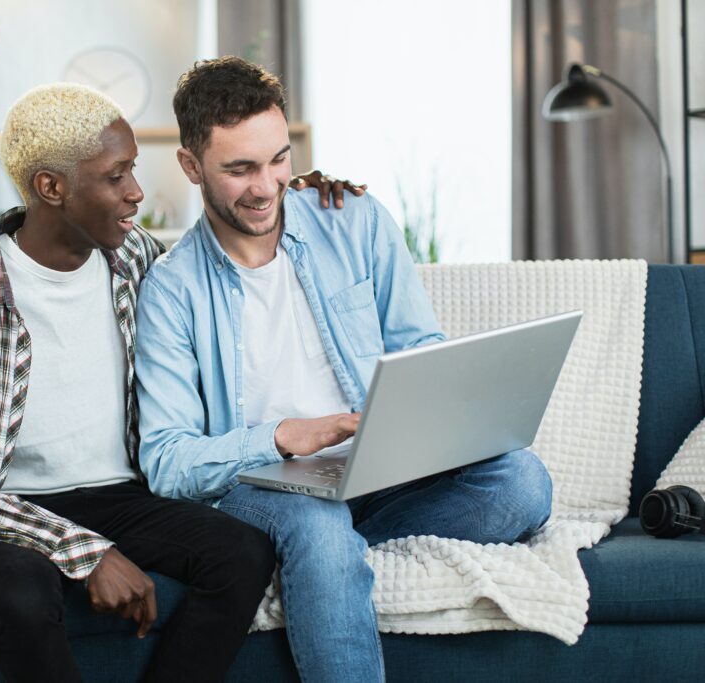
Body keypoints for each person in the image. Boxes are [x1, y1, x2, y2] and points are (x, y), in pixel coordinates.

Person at [0, 82, 354, 683]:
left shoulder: (137, 259)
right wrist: (84, 550)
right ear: (51, 187)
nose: (136, 192)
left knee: (243, 553)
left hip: (123, 496)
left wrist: (307, 200)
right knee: (21, 595)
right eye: (116, 177)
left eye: (133, 170)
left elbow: (229, 240)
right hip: (4, 507)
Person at [134, 57, 554, 683]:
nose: (267, 185)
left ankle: (330, 559)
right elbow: (167, 461)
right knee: (315, 522)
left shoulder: (352, 219)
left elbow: (420, 347)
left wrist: (440, 415)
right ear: (191, 166)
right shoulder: (172, 290)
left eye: (278, 159)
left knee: (521, 480)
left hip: (375, 468)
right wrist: (281, 437)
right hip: (264, 487)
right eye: (240, 168)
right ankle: (325, 552)